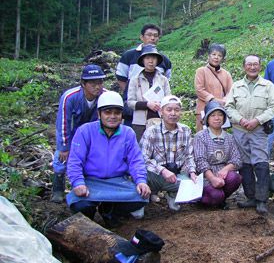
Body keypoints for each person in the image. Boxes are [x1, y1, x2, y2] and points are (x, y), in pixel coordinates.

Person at [66, 91, 151, 228]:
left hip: (117, 182)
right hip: (91, 181)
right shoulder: (85, 131)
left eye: (117, 113)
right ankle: (90, 214)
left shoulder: (127, 133)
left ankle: (109, 211)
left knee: (141, 197)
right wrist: (78, 183)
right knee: (81, 205)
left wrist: (141, 181)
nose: (112, 116)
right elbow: (75, 161)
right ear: (99, 114)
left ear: (121, 115)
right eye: (108, 112)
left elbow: (136, 161)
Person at [225, 55, 274, 214]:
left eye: (256, 64)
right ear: (244, 67)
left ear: (260, 67)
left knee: (261, 163)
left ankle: (262, 200)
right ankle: (251, 197)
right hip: (239, 130)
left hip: (259, 130)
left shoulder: (268, 86)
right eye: (249, 64)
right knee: (245, 164)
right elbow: (229, 107)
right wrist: (240, 120)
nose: (252, 67)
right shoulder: (236, 86)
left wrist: (257, 120)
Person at [51, 64, 106, 203]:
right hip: (73, 132)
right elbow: (63, 123)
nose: (97, 87)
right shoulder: (70, 97)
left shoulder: (105, 96)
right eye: (93, 83)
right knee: (61, 159)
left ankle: (92, 185)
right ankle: (58, 189)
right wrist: (65, 146)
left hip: (93, 134)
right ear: (83, 83)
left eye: (99, 82)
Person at [141, 95, 197, 212]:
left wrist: (192, 172)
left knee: (195, 186)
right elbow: (143, 159)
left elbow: (189, 156)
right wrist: (162, 170)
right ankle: (144, 199)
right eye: (169, 109)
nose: (173, 113)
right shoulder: (151, 131)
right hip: (155, 175)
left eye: (177, 110)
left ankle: (172, 194)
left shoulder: (185, 130)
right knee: (143, 178)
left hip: (175, 175)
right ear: (161, 112)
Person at [116, 24, 172, 126]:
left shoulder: (165, 60)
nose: (152, 38)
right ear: (142, 37)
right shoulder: (129, 55)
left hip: (156, 109)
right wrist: (133, 92)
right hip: (134, 104)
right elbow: (121, 77)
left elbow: (166, 82)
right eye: (149, 35)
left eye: (155, 35)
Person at [193, 101, 242, 208]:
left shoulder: (229, 137)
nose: (217, 118)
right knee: (215, 195)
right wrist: (212, 178)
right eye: (213, 115)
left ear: (224, 118)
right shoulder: (200, 137)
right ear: (207, 118)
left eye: (220, 115)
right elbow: (200, 161)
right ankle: (204, 199)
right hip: (206, 177)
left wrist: (226, 169)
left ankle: (220, 199)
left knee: (235, 178)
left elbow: (237, 159)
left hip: (222, 175)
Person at [127, 44, 171, 142]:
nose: (151, 61)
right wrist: (147, 104)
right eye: (147, 58)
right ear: (143, 60)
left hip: (160, 120)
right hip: (140, 122)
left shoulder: (163, 79)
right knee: (140, 147)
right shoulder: (135, 80)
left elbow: (168, 99)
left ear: (157, 60)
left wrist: (162, 104)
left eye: (153, 58)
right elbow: (130, 102)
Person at [194, 44, 233, 132]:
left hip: (220, 111)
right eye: (214, 54)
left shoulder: (226, 74)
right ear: (209, 56)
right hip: (203, 110)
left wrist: (225, 99)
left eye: (219, 55)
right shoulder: (201, 71)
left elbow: (231, 91)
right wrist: (215, 100)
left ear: (222, 59)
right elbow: (199, 90)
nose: (216, 57)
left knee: (220, 138)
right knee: (203, 138)